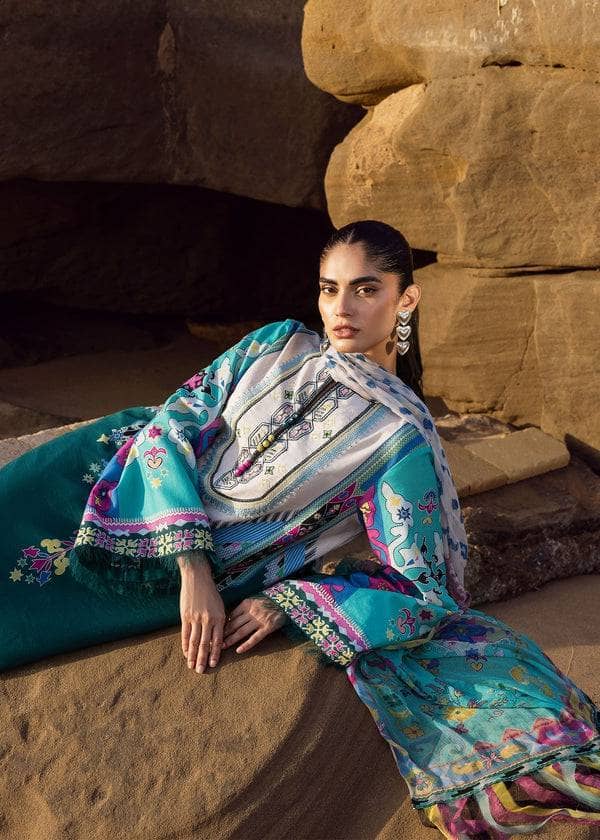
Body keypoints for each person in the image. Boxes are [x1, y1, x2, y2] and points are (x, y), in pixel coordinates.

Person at [1, 220, 599, 838]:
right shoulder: (273, 346)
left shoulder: (399, 443)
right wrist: (193, 567)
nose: (342, 309)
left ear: (406, 301)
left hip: (144, 574)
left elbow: (423, 589)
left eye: (366, 290)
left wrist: (289, 600)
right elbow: (173, 421)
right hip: (105, 476)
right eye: (329, 288)